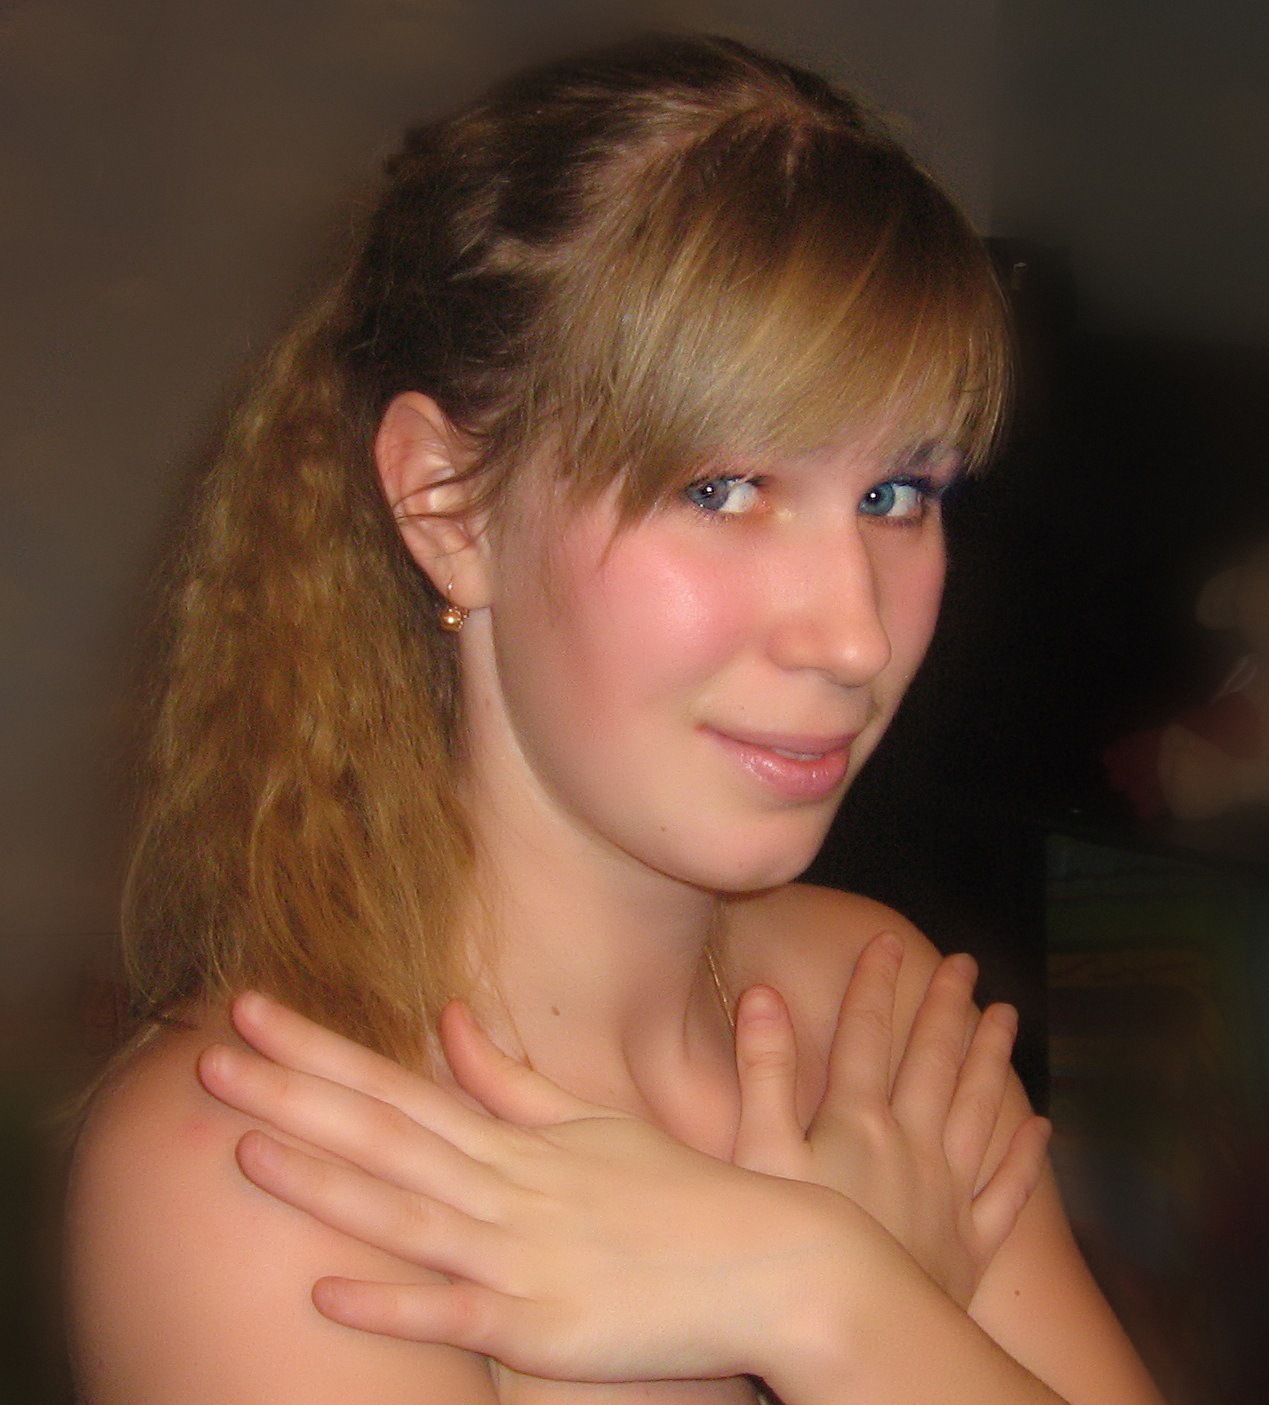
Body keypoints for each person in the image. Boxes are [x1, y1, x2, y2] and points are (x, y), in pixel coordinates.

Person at [66, 32, 1162, 1405]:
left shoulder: (867, 1006)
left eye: (899, 495)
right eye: (723, 489)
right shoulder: (265, 1170)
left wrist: (827, 1298)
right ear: (448, 507)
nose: (855, 637)